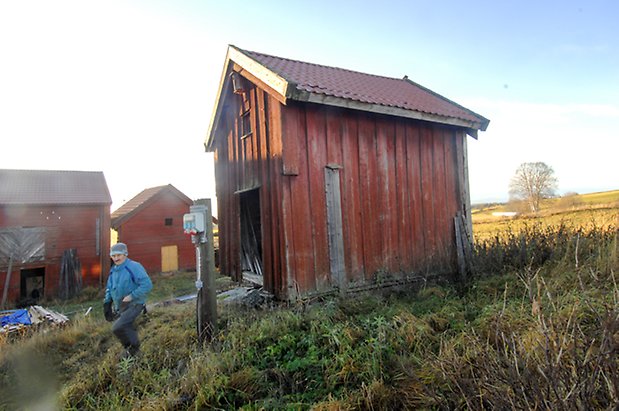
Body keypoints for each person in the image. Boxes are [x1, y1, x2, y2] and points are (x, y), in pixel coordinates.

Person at [103, 242, 153, 359]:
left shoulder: (134, 266)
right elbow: (110, 288)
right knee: (119, 329)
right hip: (121, 306)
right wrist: (107, 303)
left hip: (135, 303)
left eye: (119, 255)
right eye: (113, 256)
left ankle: (135, 348)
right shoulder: (113, 271)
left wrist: (131, 296)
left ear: (125, 254)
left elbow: (147, 284)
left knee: (118, 327)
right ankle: (129, 350)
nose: (116, 258)